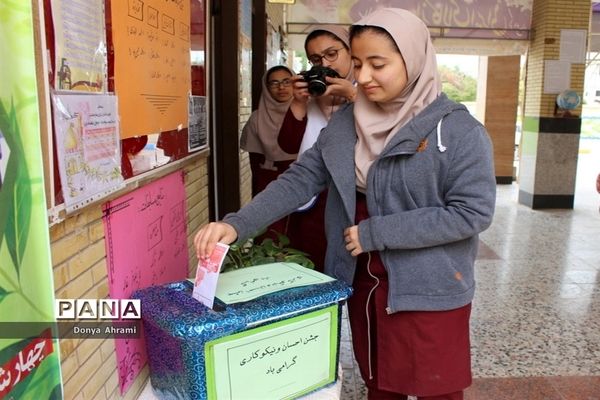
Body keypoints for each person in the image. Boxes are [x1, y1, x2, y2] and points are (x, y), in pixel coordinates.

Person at [195, 8, 496, 400]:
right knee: (378, 381)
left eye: (378, 64)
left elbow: (471, 212)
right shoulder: (347, 122)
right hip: (362, 276)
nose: (364, 77)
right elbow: (301, 179)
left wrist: (375, 232)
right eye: (357, 63)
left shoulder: (457, 132)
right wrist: (236, 224)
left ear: (415, 60)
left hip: (429, 285)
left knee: (435, 388)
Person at [285, 25, 357, 270]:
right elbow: (287, 145)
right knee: (310, 265)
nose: (325, 63)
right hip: (313, 195)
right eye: (316, 59)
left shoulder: (369, 89)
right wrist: (298, 102)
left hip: (353, 195)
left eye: (332, 54)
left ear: (350, 51)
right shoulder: (313, 92)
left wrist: (354, 96)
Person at [240, 65, 306, 237]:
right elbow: (255, 164)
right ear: (266, 87)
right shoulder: (257, 118)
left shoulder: (309, 112)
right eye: (274, 83)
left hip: (306, 179)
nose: (281, 87)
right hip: (270, 182)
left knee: (302, 233)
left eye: (286, 81)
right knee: (272, 235)